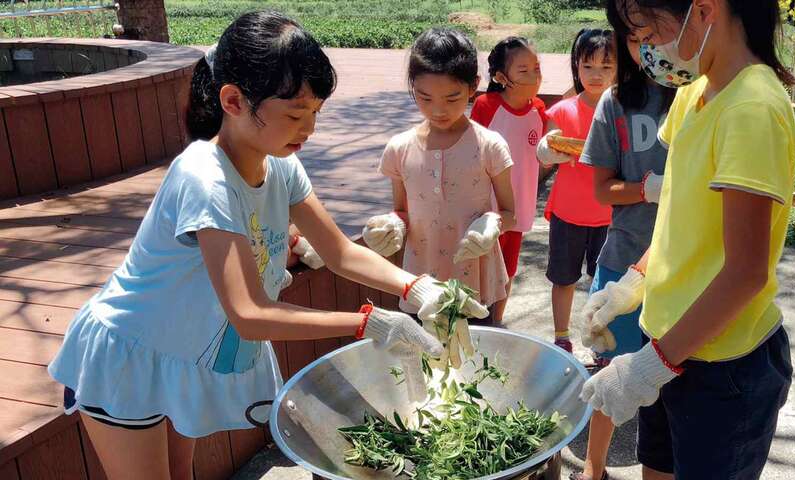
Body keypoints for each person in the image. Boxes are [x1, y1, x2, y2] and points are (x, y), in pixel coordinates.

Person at [47, 13, 486, 479]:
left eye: (316, 112)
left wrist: (415, 287)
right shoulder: (205, 178)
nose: (309, 129)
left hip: (179, 354)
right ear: (234, 101)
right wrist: (369, 323)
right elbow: (249, 313)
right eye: (296, 114)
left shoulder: (280, 166)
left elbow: (338, 251)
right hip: (128, 354)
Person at [580, 0, 795, 478]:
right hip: (667, 341)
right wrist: (631, 285)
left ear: (704, 10)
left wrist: (649, 367)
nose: (642, 55)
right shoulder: (696, 89)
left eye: (646, 35)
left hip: (723, 368)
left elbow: (744, 273)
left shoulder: (751, 109)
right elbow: (679, 216)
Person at [361, 28, 517, 359]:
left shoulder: (489, 145)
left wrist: (492, 224)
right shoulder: (399, 148)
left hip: (472, 281)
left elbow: (509, 212)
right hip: (420, 282)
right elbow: (400, 211)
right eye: (424, 98)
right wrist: (390, 227)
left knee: (474, 365)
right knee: (422, 364)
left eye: (451, 98)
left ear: (474, 86)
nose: (438, 110)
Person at [569, 20, 675, 480]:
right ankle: (594, 469)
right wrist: (649, 189)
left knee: (674, 377)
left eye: (657, 33)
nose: (648, 46)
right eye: (635, 38)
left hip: (684, 268)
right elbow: (603, 189)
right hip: (624, 259)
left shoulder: (700, 99)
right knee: (613, 376)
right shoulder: (616, 102)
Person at [535, 28, 616, 353]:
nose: (596, 75)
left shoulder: (622, 110)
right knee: (563, 278)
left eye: (606, 67)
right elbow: (547, 151)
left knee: (607, 285)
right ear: (576, 66)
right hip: (568, 213)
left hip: (610, 214)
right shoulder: (562, 110)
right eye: (588, 66)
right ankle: (561, 336)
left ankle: (602, 340)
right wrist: (547, 150)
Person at [470, 36, 547, 325]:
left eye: (536, 68)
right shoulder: (486, 105)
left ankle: (497, 324)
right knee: (478, 265)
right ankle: (475, 323)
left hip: (519, 209)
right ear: (501, 77)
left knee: (508, 269)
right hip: (484, 209)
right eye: (523, 70)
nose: (534, 76)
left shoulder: (539, 109)